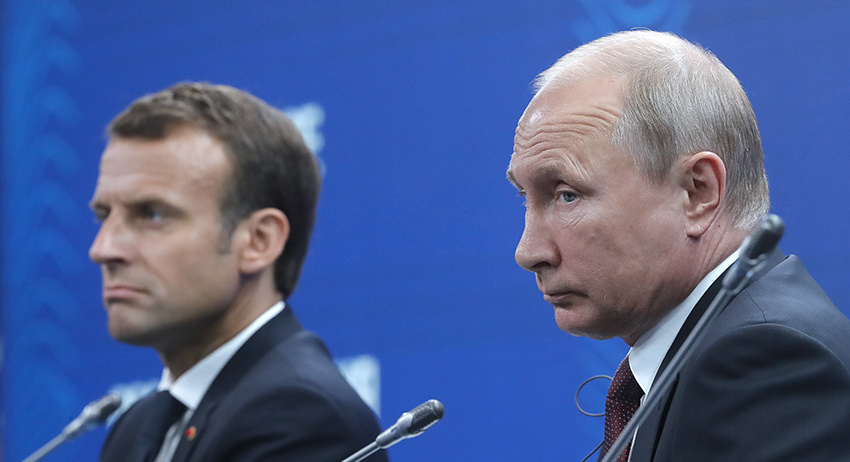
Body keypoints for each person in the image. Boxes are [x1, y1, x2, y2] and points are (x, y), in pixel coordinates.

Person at [507, 30, 850, 461]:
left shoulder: (765, 360)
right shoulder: (706, 355)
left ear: (697, 192)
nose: (528, 252)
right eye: (524, 197)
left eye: (567, 195)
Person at [90, 82, 387, 462]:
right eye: (103, 215)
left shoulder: (301, 417)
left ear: (259, 241)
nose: (103, 249)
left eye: (152, 214)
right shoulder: (136, 427)